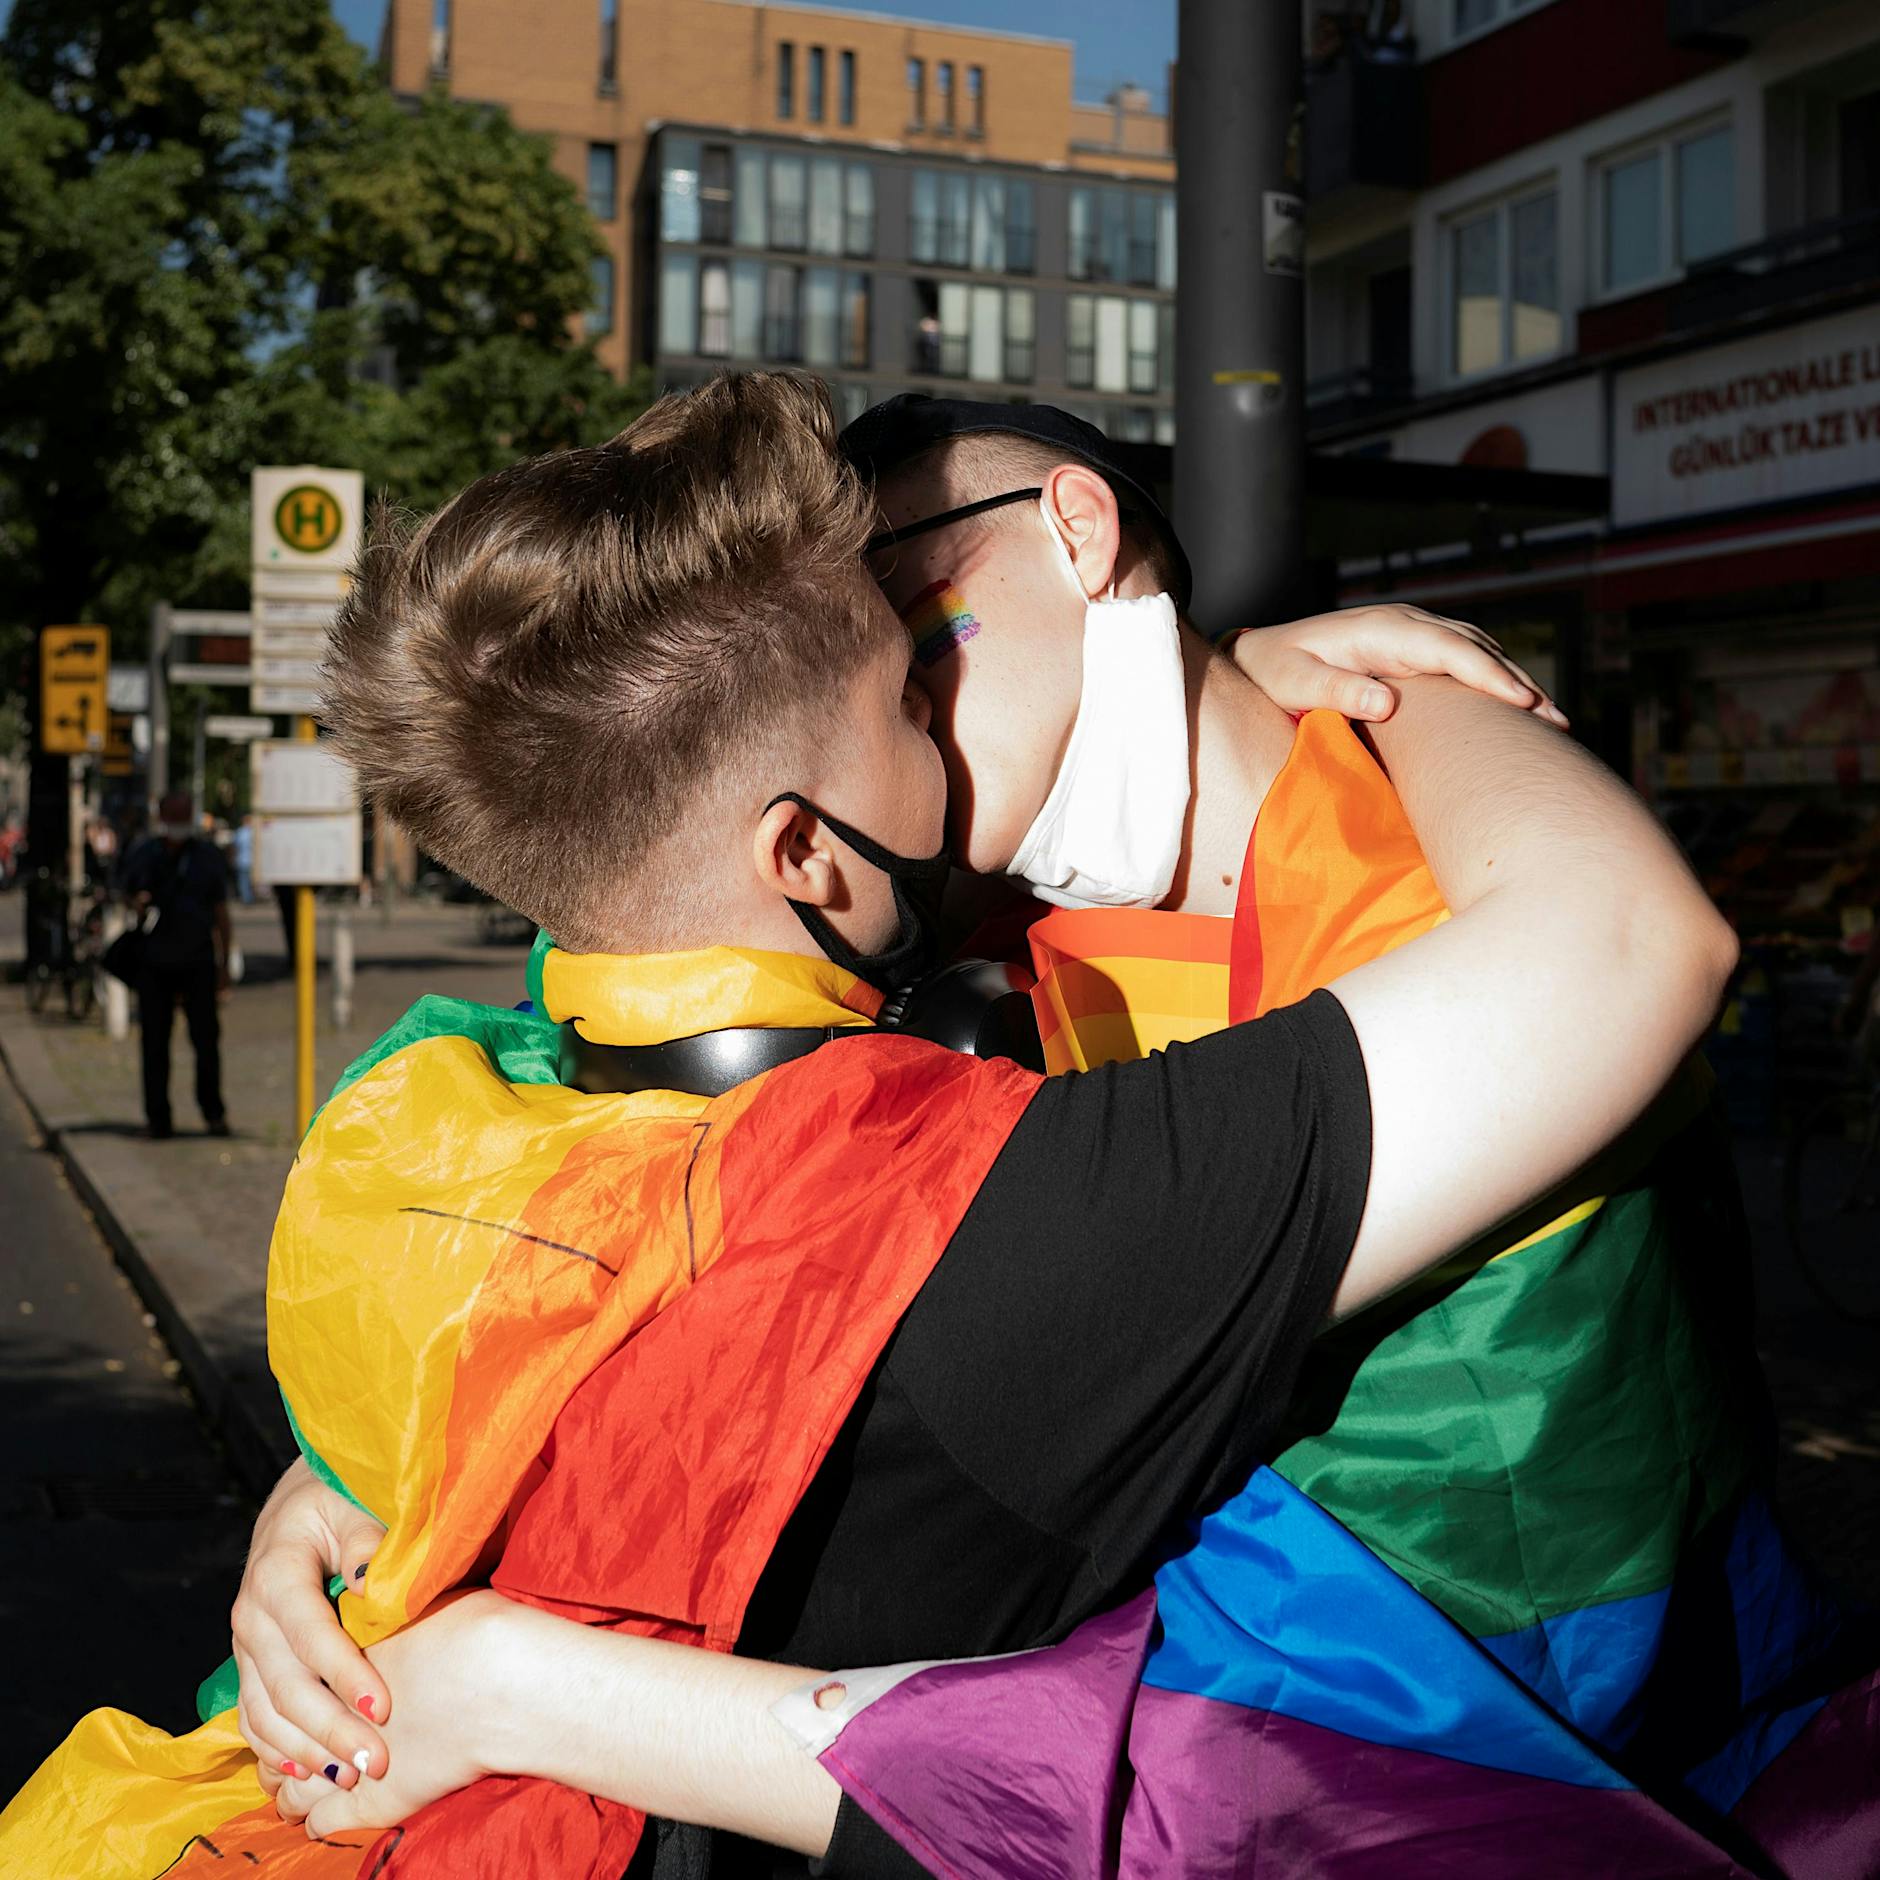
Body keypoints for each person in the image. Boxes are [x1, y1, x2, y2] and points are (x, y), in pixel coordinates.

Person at [0, 376, 1736, 1878]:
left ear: (1084, 532)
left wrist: (341, 1488)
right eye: (898, 686)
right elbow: (1184, 1778)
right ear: (809, 858)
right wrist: (1414, 702)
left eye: (929, 636)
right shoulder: (1004, 1173)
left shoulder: (448, 1115)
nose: (933, 718)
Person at [119, 791, 231, 1141]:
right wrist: (136, 902)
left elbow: (221, 914)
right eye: (173, 817)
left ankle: (213, 1112)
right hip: (154, 962)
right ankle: (158, 1118)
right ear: (161, 817)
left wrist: (224, 963)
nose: (178, 825)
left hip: (198, 960)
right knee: (154, 1044)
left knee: (206, 1041)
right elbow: (125, 891)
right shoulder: (145, 854)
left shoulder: (206, 857)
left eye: (184, 817)